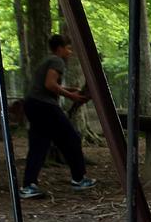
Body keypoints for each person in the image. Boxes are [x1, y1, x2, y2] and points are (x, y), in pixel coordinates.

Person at [20, 34, 95, 200]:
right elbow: (49, 85)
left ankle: (28, 186)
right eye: (68, 48)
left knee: (39, 145)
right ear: (60, 48)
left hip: (33, 104)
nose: (69, 52)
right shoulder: (57, 61)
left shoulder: (46, 61)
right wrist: (71, 96)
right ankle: (79, 179)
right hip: (44, 106)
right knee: (71, 137)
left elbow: (47, 84)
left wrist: (69, 89)